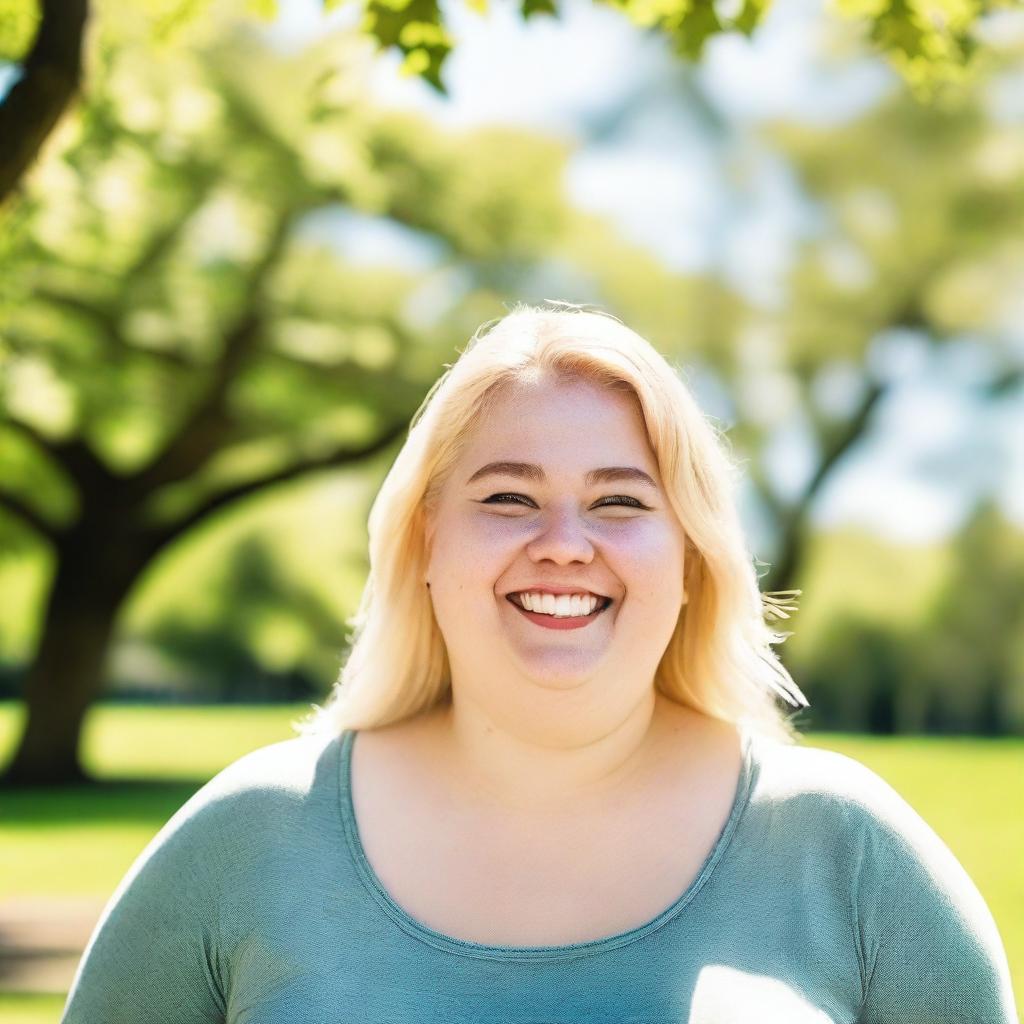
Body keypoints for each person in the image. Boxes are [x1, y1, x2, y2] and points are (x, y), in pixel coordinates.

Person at [61, 302, 1018, 1023]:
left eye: (620, 503)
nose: (565, 544)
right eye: (509, 498)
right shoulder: (248, 838)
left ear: (690, 558)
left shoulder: (847, 853)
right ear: (426, 541)